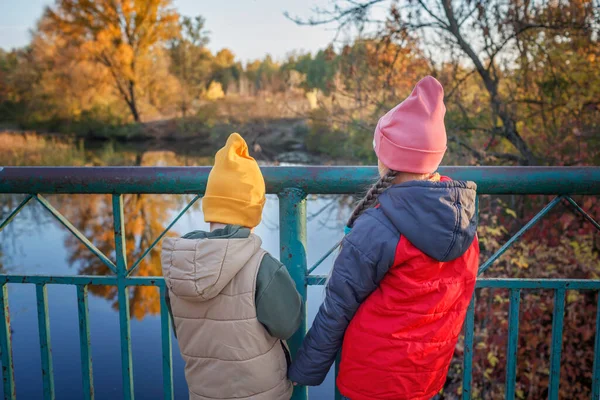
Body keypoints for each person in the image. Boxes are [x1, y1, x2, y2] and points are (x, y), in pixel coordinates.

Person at [288, 76, 480, 400]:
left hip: (371, 380)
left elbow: (337, 306)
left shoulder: (377, 227)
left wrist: (305, 370)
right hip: (425, 377)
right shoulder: (464, 220)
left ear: (385, 160)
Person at [161, 133, 302, 400]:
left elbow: (181, 330)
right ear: (254, 209)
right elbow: (287, 324)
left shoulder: (177, 265)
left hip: (203, 391)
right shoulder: (262, 266)